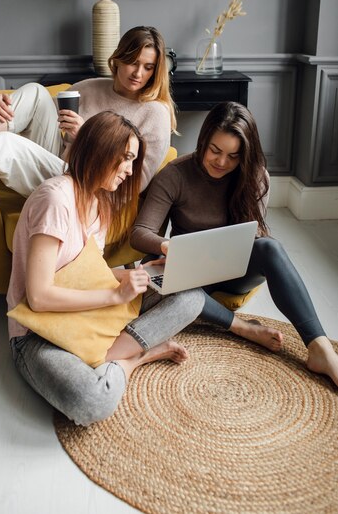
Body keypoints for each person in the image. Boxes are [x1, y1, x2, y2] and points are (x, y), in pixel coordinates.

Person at [8, 111, 205, 426]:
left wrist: (133, 275)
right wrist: (116, 298)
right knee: (92, 401)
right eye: (125, 158)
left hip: (87, 312)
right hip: (39, 332)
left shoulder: (100, 204)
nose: (129, 170)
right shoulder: (55, 199)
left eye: (132, 160)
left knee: (192, 295)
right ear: (99, 150)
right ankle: (135, 357)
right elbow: (39, 298)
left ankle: (108, 352)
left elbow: (85, 273)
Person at [130, 101, 338, 387]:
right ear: (203, 140)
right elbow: (141, 232)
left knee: (270, 247)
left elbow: (254, 238)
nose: (222, 162)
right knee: (154, 267)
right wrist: (167, 246)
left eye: (233, 156)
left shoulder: (255, 177)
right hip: (186, 276)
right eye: (215, 150)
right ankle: (241, 328)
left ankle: (320, 348)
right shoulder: (175, 175)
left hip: (233, 273)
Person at [0, 26, 175, 199]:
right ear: (118, 59)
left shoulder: (156, 113)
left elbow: (135, 186)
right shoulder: (89, 88)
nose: (138, 73)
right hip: (58, 163)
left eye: (148, 67)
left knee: (5, 145)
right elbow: (30, 113)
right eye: (132, 62)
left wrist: (86, 136)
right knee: (34, 91)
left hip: (94, 186)